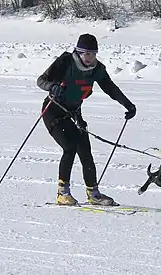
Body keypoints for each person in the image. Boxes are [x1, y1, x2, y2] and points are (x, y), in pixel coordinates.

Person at [37, 33, 136, 206]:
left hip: (74, 113)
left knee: (85, 150)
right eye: (85, 53)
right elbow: (41, 80)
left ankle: (93, 193)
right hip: (53, 110)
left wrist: (128, 105)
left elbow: (111, 89)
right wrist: (52, 87)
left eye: (93, 54)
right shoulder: (66, 61)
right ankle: (62, 193)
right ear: (78, 51)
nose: (89, 57)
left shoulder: (97, 70)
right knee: (69, 147)